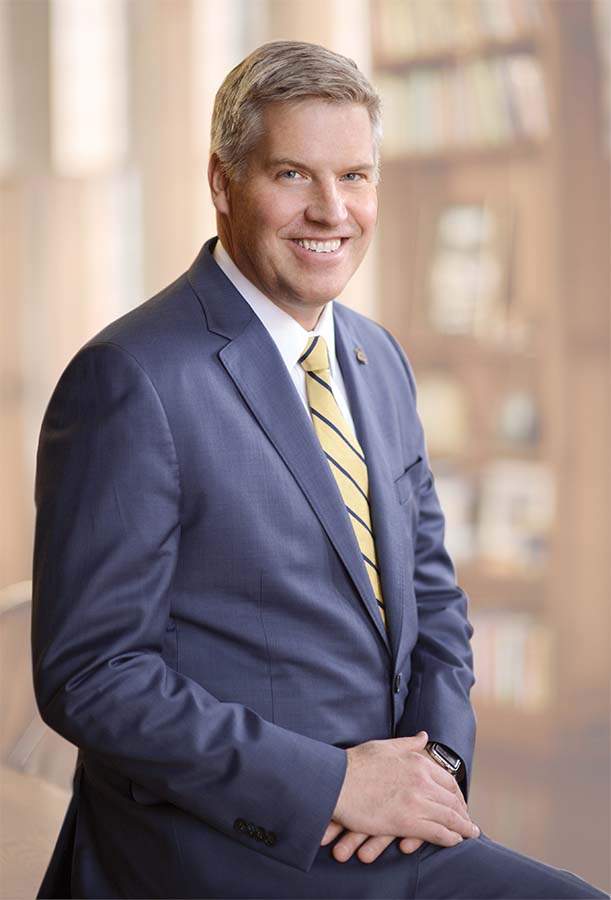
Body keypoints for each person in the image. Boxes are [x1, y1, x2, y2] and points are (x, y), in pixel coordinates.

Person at [31, 41, 607, 900]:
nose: (331, 209)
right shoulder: (132, 377)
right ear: (224, 184)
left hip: (388, 829)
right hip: (223, 842)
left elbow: (434, 598)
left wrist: (434, 765)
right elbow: (94, 676)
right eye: (293, 175)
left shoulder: (377, 359)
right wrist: (334, 786)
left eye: (356, 176)